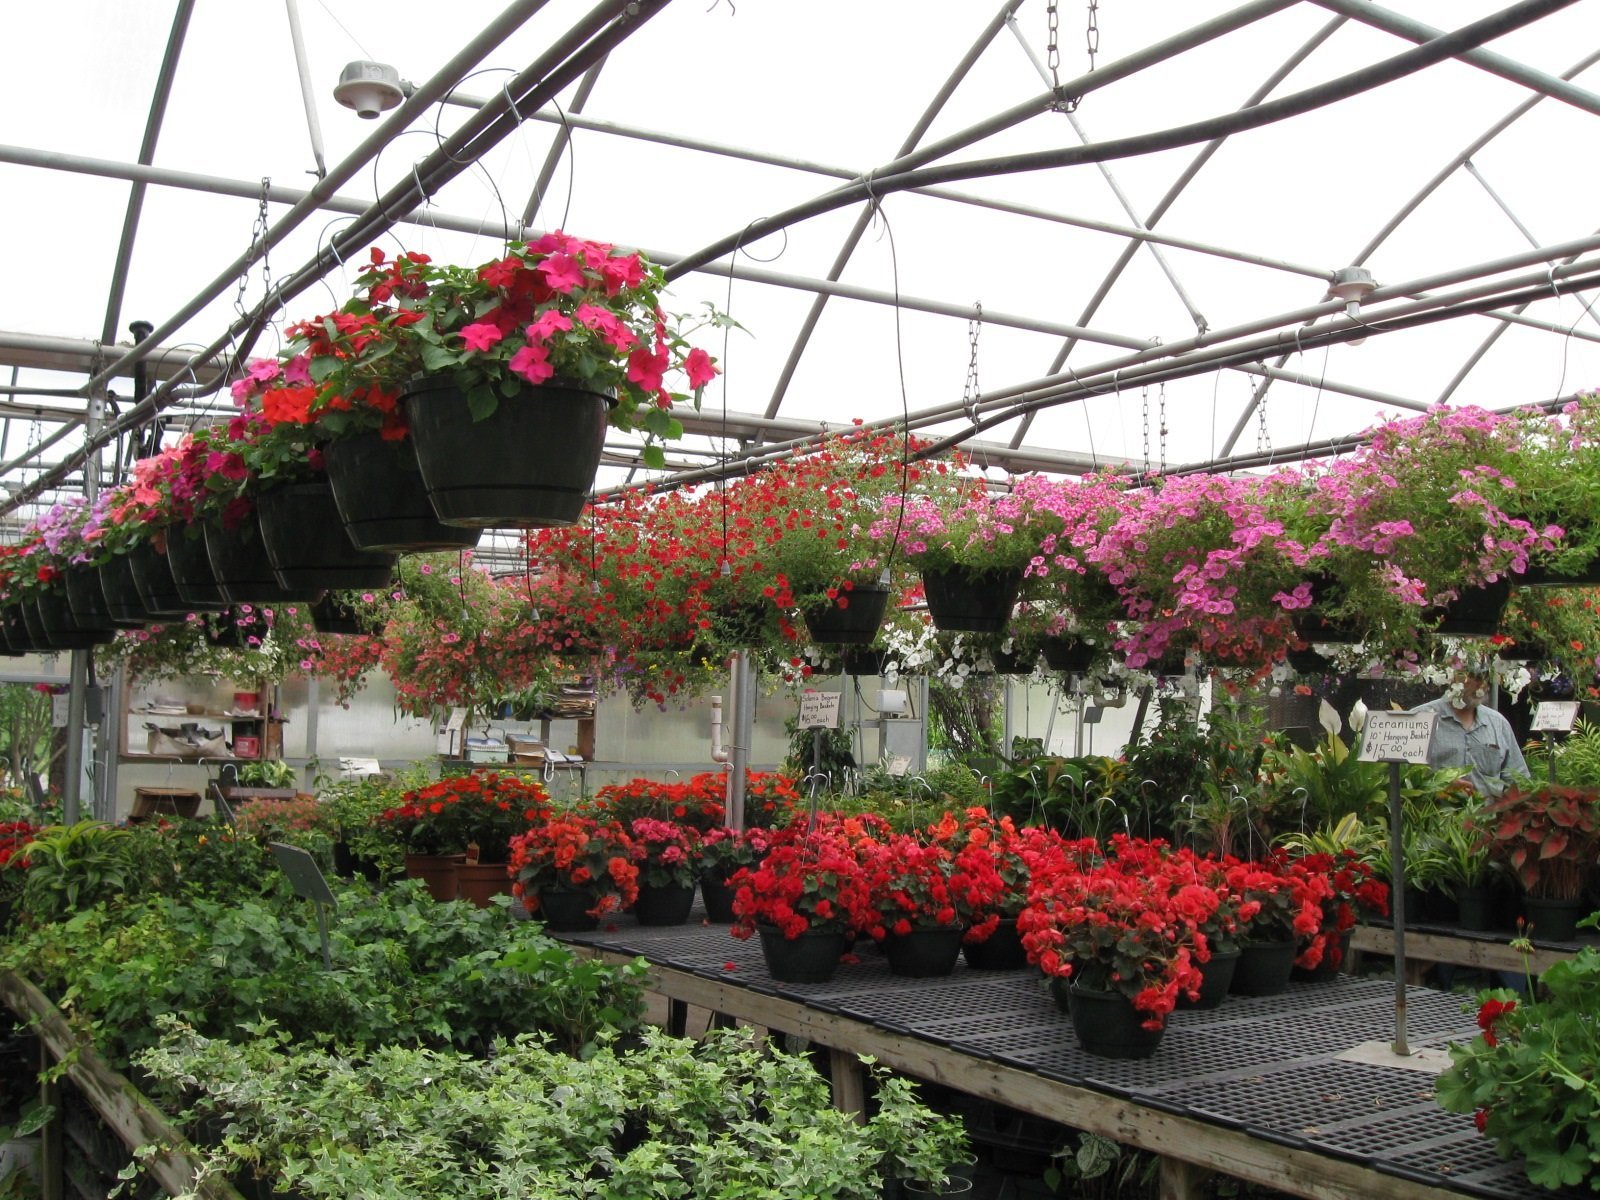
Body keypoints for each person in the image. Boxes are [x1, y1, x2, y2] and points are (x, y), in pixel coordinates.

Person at [1414, 671, 1529, 797]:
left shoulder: (1497, 723)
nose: (1482, 685)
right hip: (1435, 814)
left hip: (1489, 813)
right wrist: (1441, 785)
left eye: (1486, 678)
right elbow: (1402, 778)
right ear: (1452, 677)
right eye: (1476, 677)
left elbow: (1518, 779)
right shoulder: (1421, 718)